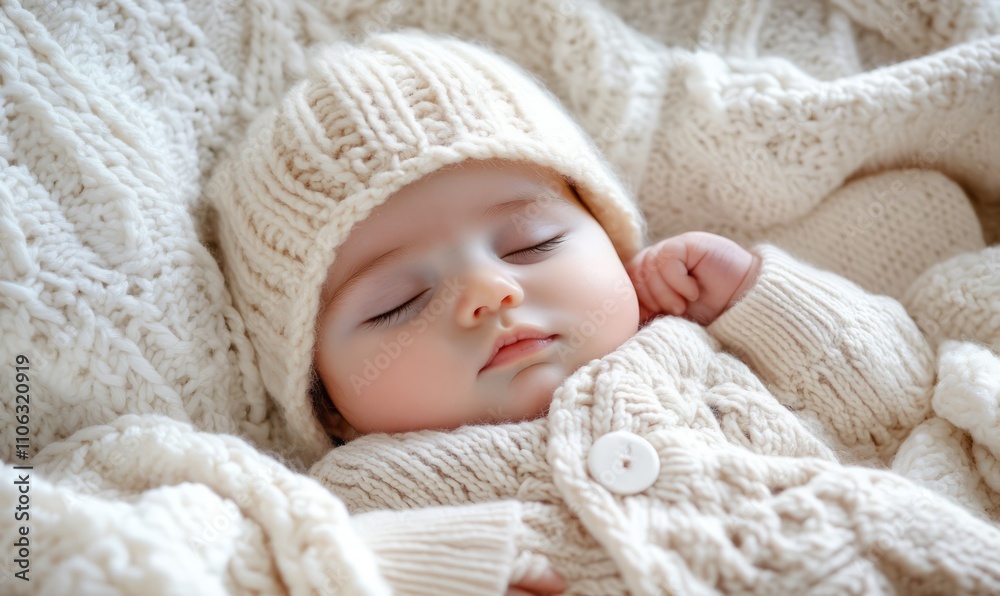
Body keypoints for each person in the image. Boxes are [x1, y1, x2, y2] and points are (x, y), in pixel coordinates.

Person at [213, 30, 1000, 594]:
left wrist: (763, 297)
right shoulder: (368, 494)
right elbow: (295, 567)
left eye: (530, 243)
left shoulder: (701, 350)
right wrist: (425, 561)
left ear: (614, 243)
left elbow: (893, 408)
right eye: (399, 302)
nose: (489, 292)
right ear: (329, 404)